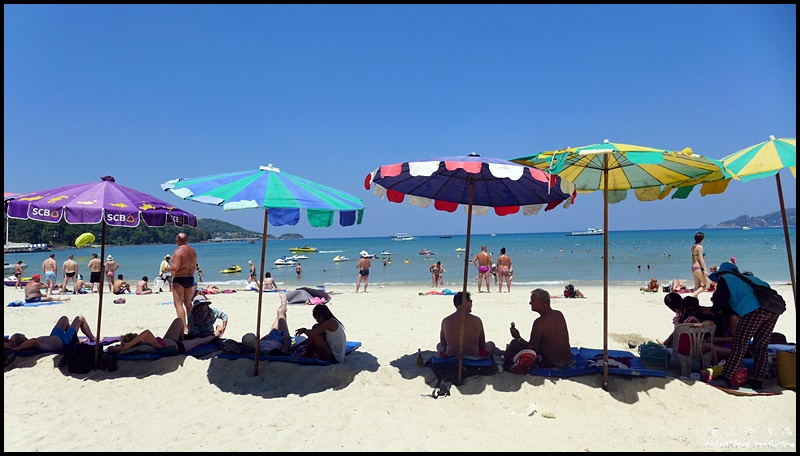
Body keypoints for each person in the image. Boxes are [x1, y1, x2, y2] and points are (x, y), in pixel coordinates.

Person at [708, 262, 780, 390]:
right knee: (761, 347)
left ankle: (725, 378)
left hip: (753, 310)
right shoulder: (754, 279)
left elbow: (720, 302)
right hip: (773, 310)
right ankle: (758, 380)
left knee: (740, 343)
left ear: (722, 273)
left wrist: (713, 311)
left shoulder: (726, 279)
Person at [507, 288, 573, 369]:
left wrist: (518, 337)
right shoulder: (559, 314)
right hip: (568, 359)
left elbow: (532, 347)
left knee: (514, 343)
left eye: (533, 300)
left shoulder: (540, 322)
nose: (530, 303)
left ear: (541, 301)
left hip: (552, 363)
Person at [108, 318, 216, 355]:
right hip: (178, 346)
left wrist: (124, 346)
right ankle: (217, 334)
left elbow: (110, 348)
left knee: (179, 321)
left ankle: (183, 338)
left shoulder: (144, 344)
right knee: (200, 340)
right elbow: (146, 332)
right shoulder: (150, 345)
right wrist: (129, 345)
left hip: (168, 339)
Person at [437, 291, 495, 359]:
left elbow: (443, 343)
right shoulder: (476, 320)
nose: (472, 304)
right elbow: (482, 345)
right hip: (473, 356)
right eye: (471, 301)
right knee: (491, 344)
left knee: (439, 345)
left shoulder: (446, 320)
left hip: (451, 356)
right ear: (465, 302)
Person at [165, 232, 198, 334]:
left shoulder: (178, 251)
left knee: (178, 303)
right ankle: (192, 324)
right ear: (187, 240)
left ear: (177, 241)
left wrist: (166, 268)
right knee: (188, 303)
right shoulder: (193, 251)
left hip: (180, 278)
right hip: (190, 278)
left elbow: (175, 268)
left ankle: (184, 327)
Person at [7, 315, 94, 352]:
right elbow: (32, 341)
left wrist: (11, 345)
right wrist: (17, 348)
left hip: (55, 335)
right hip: (64, 341)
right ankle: (93, 338)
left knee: (64, 318)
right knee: (80, 318)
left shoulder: (28, 343)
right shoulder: (31, 344)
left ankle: (75, 340)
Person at [690, 231, 708, 298]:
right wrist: (705, 270)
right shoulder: (699, 247)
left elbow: (693, 258)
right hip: (698, 267)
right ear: (702, 239)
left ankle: (694, 303)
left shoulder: (693, 246)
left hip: (693, 267)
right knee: (707, 285)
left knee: (697, 287)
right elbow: (701, 259)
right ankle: (692, 297)